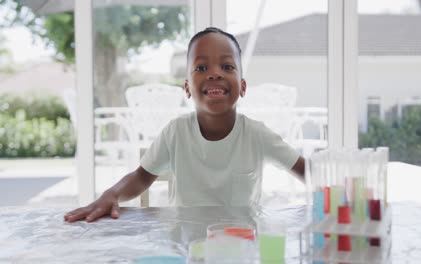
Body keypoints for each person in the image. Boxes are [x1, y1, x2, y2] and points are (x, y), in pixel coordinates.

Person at [64, 27, 305, 223]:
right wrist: (112, 194)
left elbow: (309, 173)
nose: (214, 74)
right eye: (201, 68)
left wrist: (336, 191)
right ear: (187, 88)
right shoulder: (176, 132)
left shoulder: (256, 134)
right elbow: (141, 177)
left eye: (227, 66)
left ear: (242, 86)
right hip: (185, 244)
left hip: (241, 244)